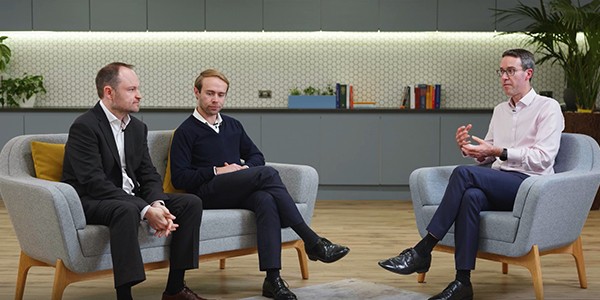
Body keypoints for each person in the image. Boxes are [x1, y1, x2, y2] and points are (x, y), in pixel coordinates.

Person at [378, 49, 565, 300]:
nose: (504, 77)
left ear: (528, 73)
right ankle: (462, 282)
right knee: (471, 197)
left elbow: (543, 157)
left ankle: (423, 250)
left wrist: (499, 150)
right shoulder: (500, 110)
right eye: (501, 71)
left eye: (511, 71)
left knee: (464, 175)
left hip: (530, 186)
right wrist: (471, 150)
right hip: (502, 183)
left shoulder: (548, 108)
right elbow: (488, 153)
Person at [169, 69, 350, 300]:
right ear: (197, 92)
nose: (216, 100)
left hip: (235, 189)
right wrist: (218, 170)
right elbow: (180, 178)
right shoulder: (185, 132)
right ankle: (312, 240)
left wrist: (244, 170)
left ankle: (272, 279)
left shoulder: (233, 125)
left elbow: (256, 156)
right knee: (267, 174)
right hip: (206, 193)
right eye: (210, 93)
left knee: (265, 200)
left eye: (221, 95)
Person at [62, 62, 206, 300]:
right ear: (109, 92)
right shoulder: (84, 126)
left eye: (137, 88)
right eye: (131, 89)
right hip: (93, 199)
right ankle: (125, 295)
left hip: (130, 198)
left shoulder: (137, 128)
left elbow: (148, 173)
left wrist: (158, 204)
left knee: (190, 203)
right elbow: (93, 181)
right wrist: (145, 208)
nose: (139, 95)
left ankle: (175, 289)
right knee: (126, 208)